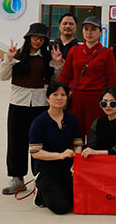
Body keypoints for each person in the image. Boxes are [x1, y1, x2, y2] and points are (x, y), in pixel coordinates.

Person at [0, 22, 63, 195]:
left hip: (41, 105)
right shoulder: (18, 54)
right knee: (16, 142)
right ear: (28, 37)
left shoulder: (48, 57)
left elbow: (57, 80)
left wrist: (58, 63)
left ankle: (40, 178)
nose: (38, 40)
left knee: (39, 142)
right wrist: (8, 59)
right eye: (35, 37)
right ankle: (17, 178)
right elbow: (2, 76)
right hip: (18, 104)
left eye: (42, 38)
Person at [28, 81, 82, 214]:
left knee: (78, 201)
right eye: (55, 94)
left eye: (63, 95)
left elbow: (78, 144)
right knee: (61, 208)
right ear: (47, 98)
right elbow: (35, 152)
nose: (59, 98)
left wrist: (76, 162)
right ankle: (40, 194)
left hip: (67, 166)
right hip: (46, 168)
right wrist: (60, 155)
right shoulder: (39, 122)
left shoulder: (72, 119)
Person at [59, 15, 116, 139]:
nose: (89, 33)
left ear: (100, 32)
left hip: (96, 99)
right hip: (75, 99)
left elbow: (111, 80)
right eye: (86, 29)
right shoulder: (74, 50)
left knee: (95, 135)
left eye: (93, 29)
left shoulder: (107, 52)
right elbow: (65, 76)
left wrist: (109, 100)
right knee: (74, 134)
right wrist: (59, 94)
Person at [82, 86, 116, 157]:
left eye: (112, 103)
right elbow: (92, 145)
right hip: (100, 161)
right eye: (104, 103)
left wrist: (97, 152)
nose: (108, 106)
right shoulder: (98, 122)